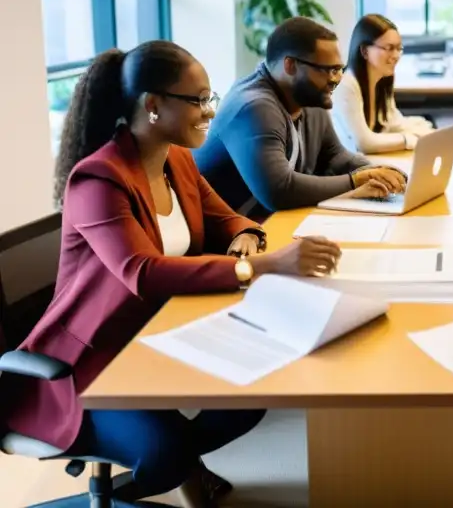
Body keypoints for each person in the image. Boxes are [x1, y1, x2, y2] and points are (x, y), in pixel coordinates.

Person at [0, 42, 344, 507]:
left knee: (252, 397)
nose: (209, 112)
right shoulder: (98, 180)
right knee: (163, 450)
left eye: (209, 97)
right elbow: (141, 272)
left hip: (160, 333)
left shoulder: (176, 158)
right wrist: (258, 266)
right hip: (91, 366)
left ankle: (178, 461)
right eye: (198, 100)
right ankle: (170, 463)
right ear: (153, 105)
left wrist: (248, 238)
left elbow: (228, 219)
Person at [195, 17, 406, 220]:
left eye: (338, 69)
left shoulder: (308, 96)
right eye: (327, 70)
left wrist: (377, 172)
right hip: (229, 237)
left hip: (269, 222)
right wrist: (355, 180)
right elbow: (279, 190)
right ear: (290, 66)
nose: (335, 79)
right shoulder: (254, 106)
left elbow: (334, 157)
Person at [333, 14, 434, 153]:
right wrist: (409, 140)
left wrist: (429, 133)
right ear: (364, 51)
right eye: (389, 48)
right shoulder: (346, 85)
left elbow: (395, 123)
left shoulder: (382, 80)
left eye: (399, 48)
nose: (396, 55)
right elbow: (364, 143)